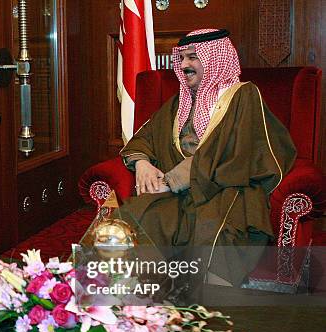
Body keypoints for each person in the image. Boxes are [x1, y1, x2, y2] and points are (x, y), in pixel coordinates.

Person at [119, 29, 296, 287]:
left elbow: (238, 152)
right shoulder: (181, 101)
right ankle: (144, 305)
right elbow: (146, 135)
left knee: (213, 232)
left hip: (226, 190)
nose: (184, 65)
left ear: (215, 59)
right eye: (182, 58)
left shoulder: (243, 96)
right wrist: (142, 162)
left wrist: (174, 179)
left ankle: (207, 314)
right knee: (139, 217)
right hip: (181, 193)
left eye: (193, 58)